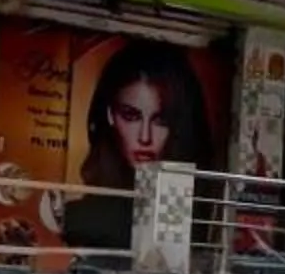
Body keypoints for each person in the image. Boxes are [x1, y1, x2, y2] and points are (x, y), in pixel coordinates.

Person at [59, 41, 216, 255]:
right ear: (110, 115)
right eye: (131, 116)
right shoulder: (77, 217)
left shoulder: (186, 205)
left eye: (161, 120)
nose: (145, 137)